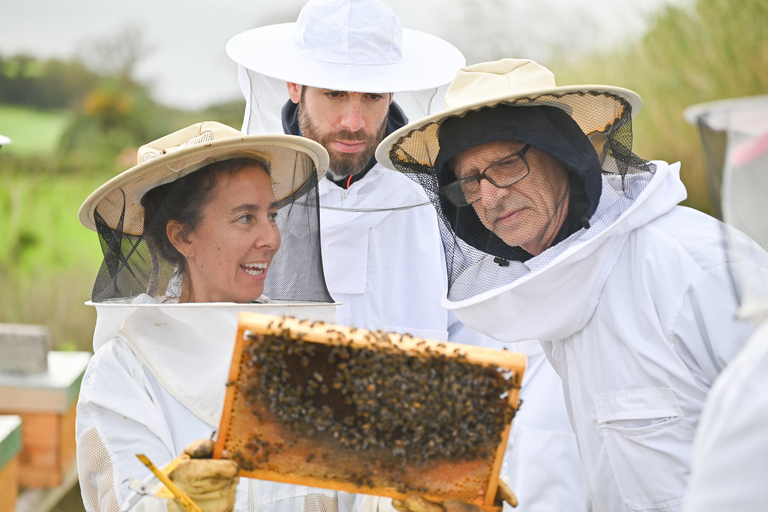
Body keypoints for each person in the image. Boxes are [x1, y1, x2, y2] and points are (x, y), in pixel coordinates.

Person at [227, 3, 589, 511]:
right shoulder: (244, 197)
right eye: (333, 94)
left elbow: (497, 344)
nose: (354, 120)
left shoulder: (455, 193)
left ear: (393, 90)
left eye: (372, 95)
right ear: (293, 85)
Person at [376, 58, 768, 512]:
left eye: (505, 165)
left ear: (563, 154)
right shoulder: (542, 294)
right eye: (470, 181)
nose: (489, 196)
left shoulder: (693, 264)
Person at [75, 121, 341, 512]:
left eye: (272, 215)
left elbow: (351, 493)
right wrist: (175, 504)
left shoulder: (307, 351)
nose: (270, 238)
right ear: (183, 237)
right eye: (245, 218)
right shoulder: (123, 372)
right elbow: (130, 500)